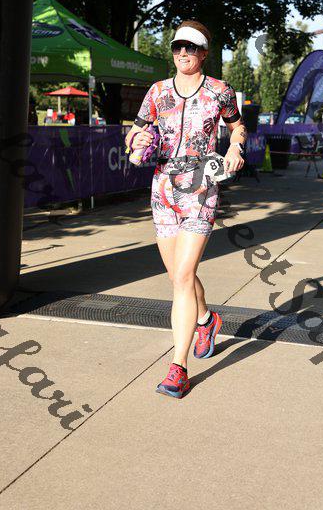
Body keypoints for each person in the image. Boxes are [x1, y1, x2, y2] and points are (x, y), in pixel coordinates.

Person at [125, 20, 247, 399]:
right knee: (178, 276)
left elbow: (237, 126)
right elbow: (134, 132)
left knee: (182, 276)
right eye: (178, 47)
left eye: (190, 48)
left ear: (204, 53)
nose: (183, 53)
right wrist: (136, 140)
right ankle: (206, 319)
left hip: (201, 187)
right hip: (162, 189)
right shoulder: (157, 91)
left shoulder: (220, 91)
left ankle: (177, 368)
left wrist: (235, 146)